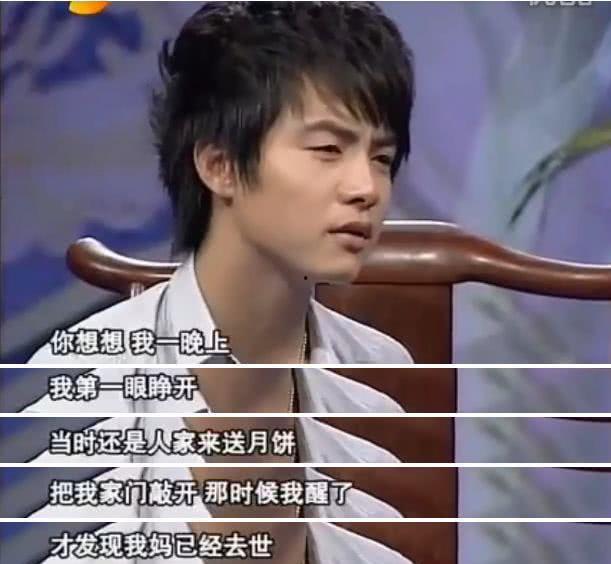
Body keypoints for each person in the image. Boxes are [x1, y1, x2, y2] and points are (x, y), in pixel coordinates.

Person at [28, 1, 415, 365]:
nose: (366, 188)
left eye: (382, 159)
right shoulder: (88, 374)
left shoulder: (382, 368)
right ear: (219, 166)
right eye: (328, 149)